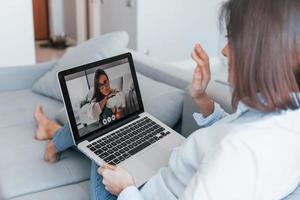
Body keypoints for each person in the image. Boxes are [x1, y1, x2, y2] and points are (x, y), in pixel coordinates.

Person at [34, 0, 300, 199]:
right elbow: (226, 130)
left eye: (232, 39)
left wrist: (126, 189)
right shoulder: (284, 114)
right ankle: (55, 132)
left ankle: (53, 135)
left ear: (260, 50)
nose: (224, 51)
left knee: (99, 129)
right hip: (160, 175)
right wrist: (200, 96)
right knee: (102, 123)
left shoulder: (238, 152)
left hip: (137, 193)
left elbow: (229, 147)